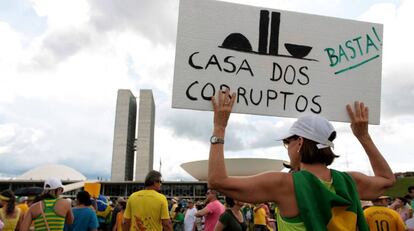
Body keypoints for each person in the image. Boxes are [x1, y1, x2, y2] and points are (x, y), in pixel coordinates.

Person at [208, 90, 395, 231]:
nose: (287, 147)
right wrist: (363, 136)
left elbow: (217, 181)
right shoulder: (350, 182)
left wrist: (219, 127)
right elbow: (387, 179)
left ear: (300, 142)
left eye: (287, 142)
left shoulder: (284, 184)